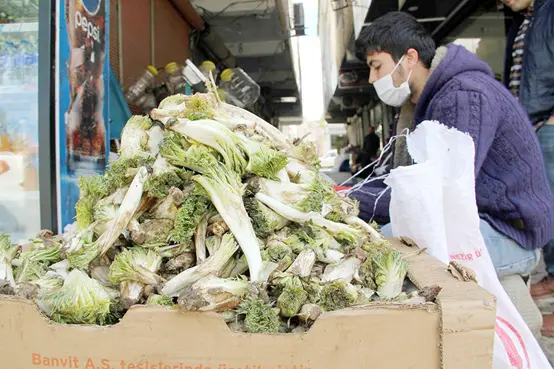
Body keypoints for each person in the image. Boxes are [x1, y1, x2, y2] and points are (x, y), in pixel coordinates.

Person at [353, 11, 554, 336]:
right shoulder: (420, 104)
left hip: (509, 232)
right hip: (481, 219)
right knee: (384, 240)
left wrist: (350, 207)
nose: (372, 78)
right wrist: (351, 201)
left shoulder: (463, 96)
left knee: (385, 248)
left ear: (409, 58)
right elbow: (398, 177)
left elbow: (434, 190)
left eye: (377, 66)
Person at [501, 0, 554, 337]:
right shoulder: (522, 21)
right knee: (542, 209)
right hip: (529, 126)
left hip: (548, 124)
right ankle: (551, 275)